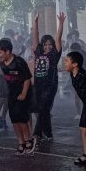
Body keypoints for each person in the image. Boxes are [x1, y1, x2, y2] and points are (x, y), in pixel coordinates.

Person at [30, 13, 65, 143]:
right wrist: (35, 23)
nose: (48, 46)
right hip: (38, 85)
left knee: (44, 107)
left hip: (50, 85)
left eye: (50, 44)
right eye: (45, 44)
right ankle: (48, 133)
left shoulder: (55, 54)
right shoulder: (38, 51)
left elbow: (59, 38)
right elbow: (35, 37)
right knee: (42, 109)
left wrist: (61, 23)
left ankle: (37, 133)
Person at [0, 39, 34, 154]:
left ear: (7, 51)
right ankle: (20, 142)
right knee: (14, 119)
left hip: (22, 93)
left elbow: (27, 79)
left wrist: (23, 94)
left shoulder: (19, 62)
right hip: (11, 94)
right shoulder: (3, 63)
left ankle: (28, 140)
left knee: (22, 119)